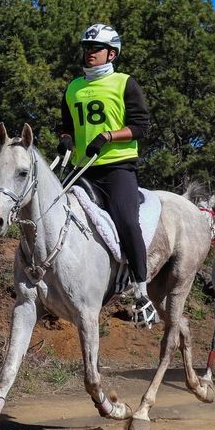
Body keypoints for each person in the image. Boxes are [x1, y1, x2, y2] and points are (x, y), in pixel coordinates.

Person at [57, 24, 157, 327]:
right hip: (83, 166)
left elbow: (141, 126)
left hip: (118, 166)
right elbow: (65, 124)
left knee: (127, 220)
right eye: (86, 48)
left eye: (95, 48)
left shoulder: (125, 83)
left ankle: (141, 291)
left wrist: (110, 136)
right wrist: (65, 138)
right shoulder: (73, 87)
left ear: (111, 53)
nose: (89, 53)